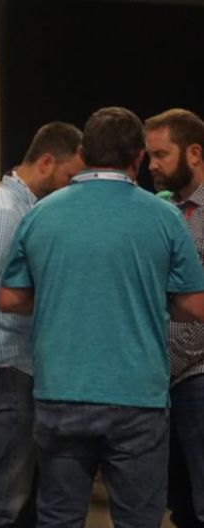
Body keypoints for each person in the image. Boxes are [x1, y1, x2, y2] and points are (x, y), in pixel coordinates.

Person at [0, 106, 204, 527]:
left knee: (58, 516)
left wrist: (65, 295)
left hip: (59, 391)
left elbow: (9, 299)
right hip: (138, 397)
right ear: (138, 158)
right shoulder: (164, 217)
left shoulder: (40, 213)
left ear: (83, 152)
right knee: (138, 519)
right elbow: (194, 307)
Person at [0, 121, 83, 528]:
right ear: (47, 162)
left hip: (23, 370)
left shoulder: (25, 211)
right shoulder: (2, 215)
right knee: (6, 496)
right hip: (9, 372)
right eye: (70, 175)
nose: (73, 186)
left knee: (21, 494)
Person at [145, 108, 204, 527]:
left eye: (161, 154)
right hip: (161, 381)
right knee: (179, 503)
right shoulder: (160, 212)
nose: (152, 165)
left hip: (201, 375)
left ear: (195, 153)